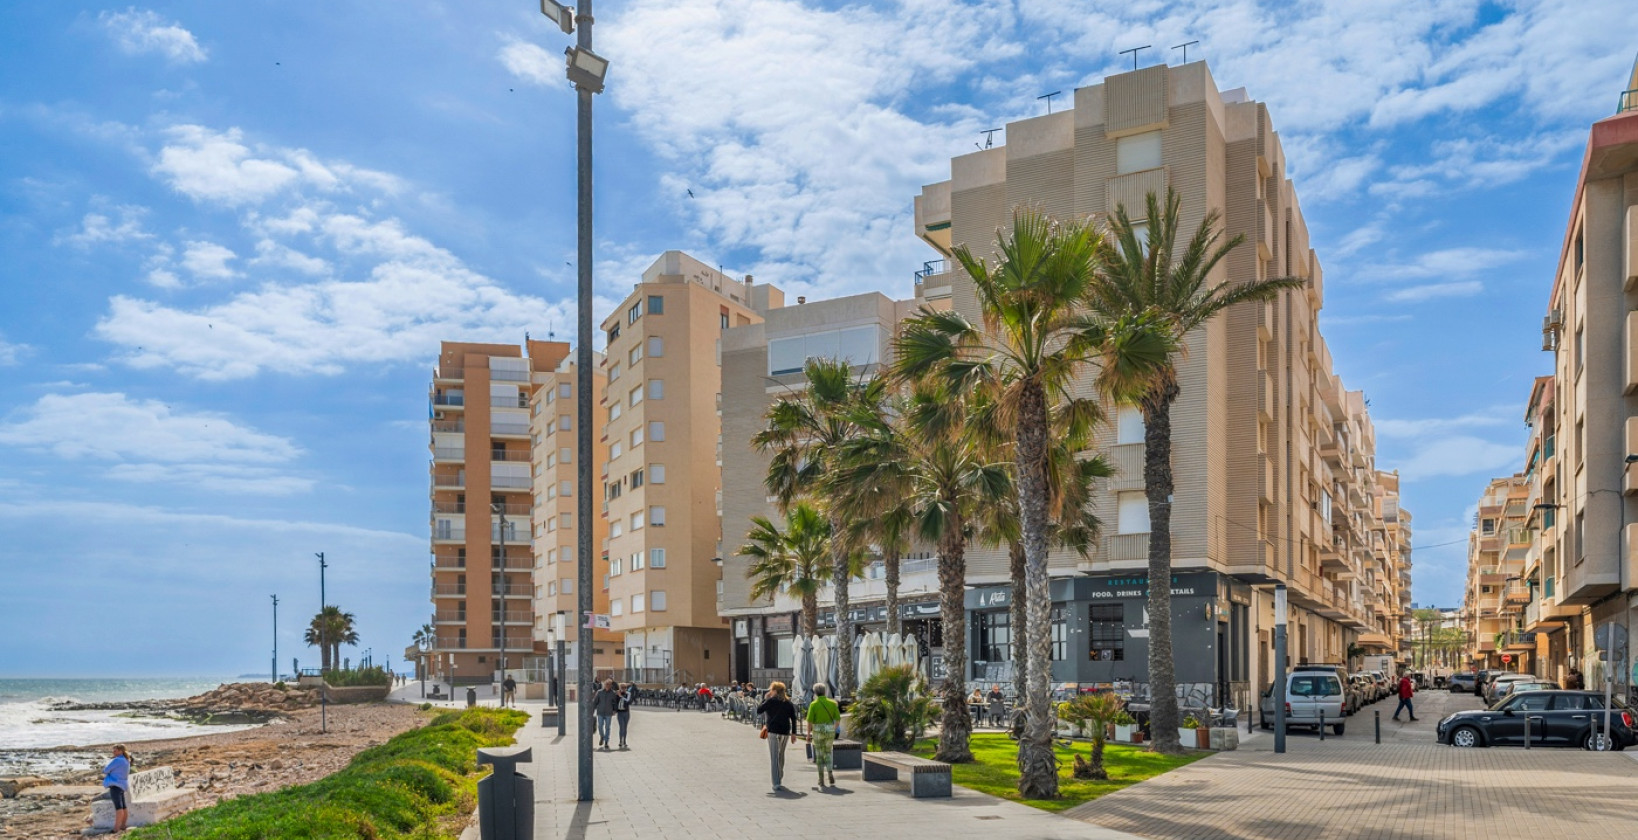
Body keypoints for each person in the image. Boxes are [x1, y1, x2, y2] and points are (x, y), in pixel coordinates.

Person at [757, 681, 799, 793]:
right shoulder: (788, 702)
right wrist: (794, 733)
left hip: (773, 732)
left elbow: (759, 710)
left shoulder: (770, 701)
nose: (770, 691)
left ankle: (776, 782)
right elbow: (794, 718)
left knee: (774, 757)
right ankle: (779, 776)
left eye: (771, 689)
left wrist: (765, 699)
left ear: (775, 691)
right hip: (785, 732)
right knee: (781, 755)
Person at [805, 683, 842, 787]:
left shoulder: (814, 704)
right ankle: (830, 772)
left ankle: (821, 779)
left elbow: (809, 721)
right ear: (825, 691)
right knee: (828, 752)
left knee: (819, 755)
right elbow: (838, 720)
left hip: (817, 730)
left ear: (815, 692)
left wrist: (808, 734)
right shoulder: (833, 703)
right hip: (829, 730)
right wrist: (832, 729)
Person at [102, 744, 131, 833]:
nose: (113, 752)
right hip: (122, 785)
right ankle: (123, 825)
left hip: (115, 786)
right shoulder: (126, 760)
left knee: (118, 807)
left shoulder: (117, 760)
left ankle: (116, 828)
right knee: (123, 807)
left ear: (120, 751)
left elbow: (105, 770)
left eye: (115, 750)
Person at [592, 679, 620, 749]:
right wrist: (592, 711)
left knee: (607, 727)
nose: (607, 686)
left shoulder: (613, 693)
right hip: (600, 712)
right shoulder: (599, 692)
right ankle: (602, 736)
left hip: (608, 713)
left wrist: (615, 710)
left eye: (609, 685)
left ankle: (606, 742)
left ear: (611, 685)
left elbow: (615, 703)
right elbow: (595, 702)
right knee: (600, 726)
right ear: (604, 685)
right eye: (606, 684)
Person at [615, 682, 633, 749]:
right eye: (622, 688)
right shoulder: (617, 694)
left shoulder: (628, 693)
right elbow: (615, 702)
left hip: (626, 712)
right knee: (621, 727)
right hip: (620, 713)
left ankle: (624, 741)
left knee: (625, 727)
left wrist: (621, 696)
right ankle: (620, 741)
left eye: (625, 688)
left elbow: (628, 701)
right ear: (620, 688)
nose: (623, 689)